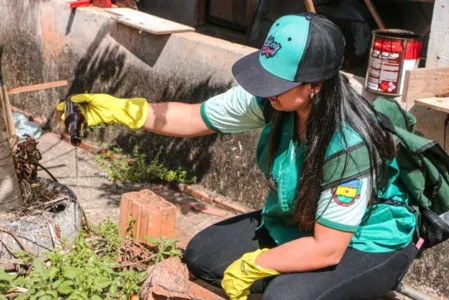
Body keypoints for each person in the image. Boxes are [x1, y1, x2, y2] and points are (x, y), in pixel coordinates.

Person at [57, 12, 418, 300]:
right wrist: (121, 110)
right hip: (303, 222)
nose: (267, 90)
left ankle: (365, 281)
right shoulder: (276, 101)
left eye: (278, 84)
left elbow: (327, 249)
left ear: (315, 86)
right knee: (203, 255)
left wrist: (255, 264)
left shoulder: (348, 145)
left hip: (361, 241)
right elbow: (195, 118)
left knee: (285, 296)